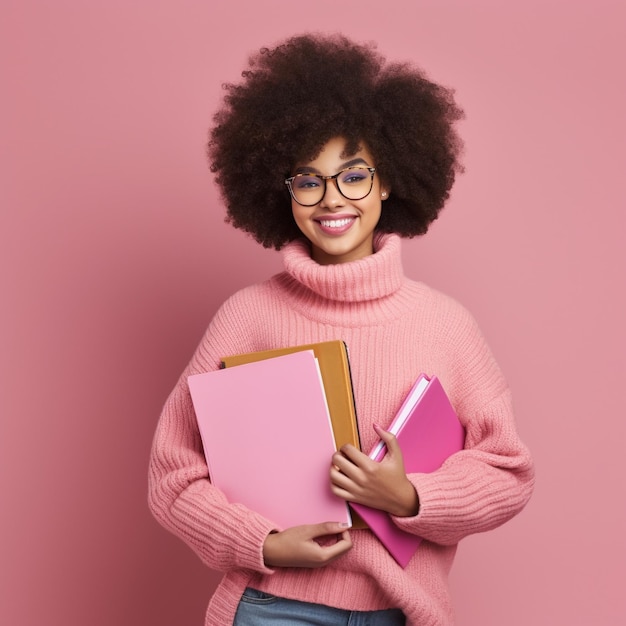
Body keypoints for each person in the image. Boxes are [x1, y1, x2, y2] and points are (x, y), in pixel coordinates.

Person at [148, 33, 535, 626]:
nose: (333, 199)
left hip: (401, 612)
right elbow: (172, 473)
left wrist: (408, 498)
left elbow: (507, 472)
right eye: (308, 180)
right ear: (284, 192)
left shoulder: (446, 324)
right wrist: (264, 544)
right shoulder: (247, 315)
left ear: (386, 181)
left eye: (353, 176)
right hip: (272, 608)